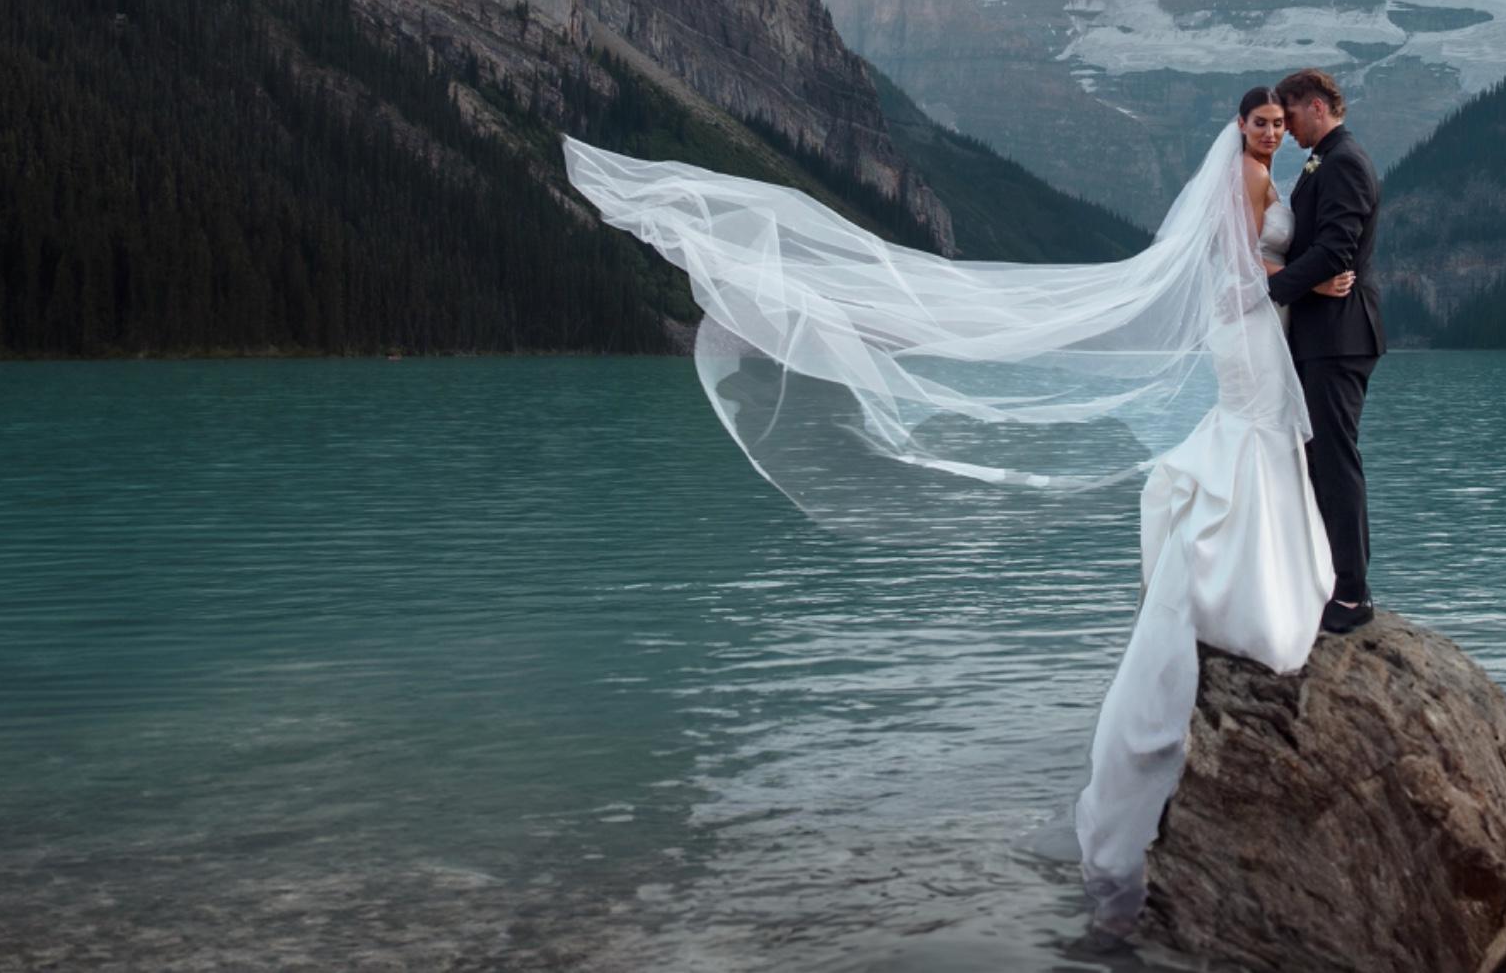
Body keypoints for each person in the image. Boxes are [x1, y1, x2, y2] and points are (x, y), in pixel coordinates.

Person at [557, 84, 1357, 933]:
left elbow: (1240, 263)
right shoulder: (1246, 176)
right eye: (1262, 121)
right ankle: (1252, 591)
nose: (1272, 132)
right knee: (1256, 434)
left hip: (1254, 331)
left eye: (1279, 122)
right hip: (1250, 330)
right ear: (1242, 125)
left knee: (1258, 440)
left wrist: (1293, 277)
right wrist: (1306, 278)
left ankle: (1247, 582)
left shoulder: (1260, 174)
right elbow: (1236, 266)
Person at [1261, 68, 1384, 634]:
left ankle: (1354, 598)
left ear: (1315, 106)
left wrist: (1269, 288)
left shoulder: (1344, 162)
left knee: (1336, 462)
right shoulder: (1327, 161)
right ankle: (1334, 583)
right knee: (1319, 462)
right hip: (1319, 333)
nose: (1288, 132)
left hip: (1340, 336)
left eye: (1291, 118)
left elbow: (1338, 248)